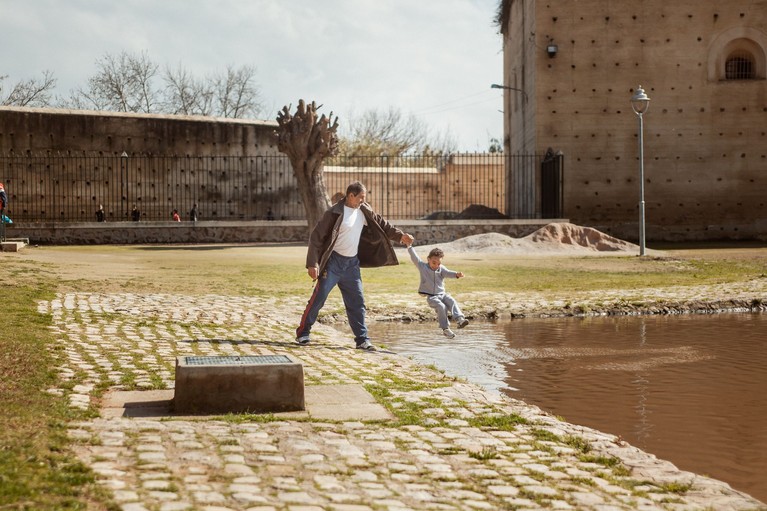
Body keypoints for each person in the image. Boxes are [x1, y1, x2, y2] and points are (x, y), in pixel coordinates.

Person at [296, 181, 414, 351]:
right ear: (351, 196)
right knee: (318, 299)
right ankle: (303, 333)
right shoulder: (334, 213)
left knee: (357, 303)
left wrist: (401, 236)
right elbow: (316, 237)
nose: (363, 201)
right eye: (361, 197)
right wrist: (312, 263)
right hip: (333, 263)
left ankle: (362, 340)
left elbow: (383, 225)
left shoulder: (364, 211)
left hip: (352, 265)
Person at [407, 244, 469, 339]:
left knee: (451, 301)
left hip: (442, 294)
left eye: (439, 263)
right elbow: (414, 257)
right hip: (431, 297)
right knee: (441, 306)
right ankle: (445, 329)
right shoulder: (423, 267)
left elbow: (448, 273)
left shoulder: (441, 269)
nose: (436, 266)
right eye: (434, 263)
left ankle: (460, 319)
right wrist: (409, 246)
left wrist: (456, 274)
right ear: (428, 259)